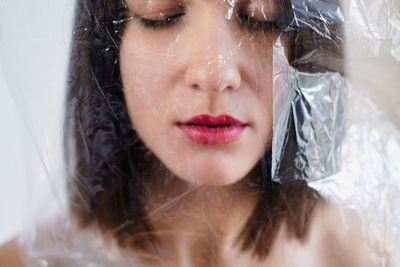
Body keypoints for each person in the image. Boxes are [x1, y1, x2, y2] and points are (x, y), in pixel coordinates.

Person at [0, 0, 372, 266]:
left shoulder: (363, 256)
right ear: (106, 48)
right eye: (164, 15)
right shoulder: (29, 261)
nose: (214, 73)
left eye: (260, 16)